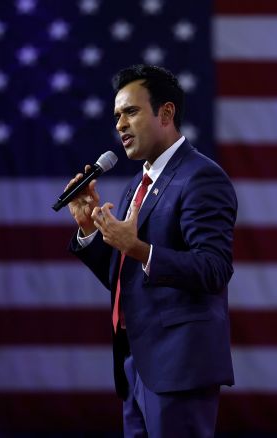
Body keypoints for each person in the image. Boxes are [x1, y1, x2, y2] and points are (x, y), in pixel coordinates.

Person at [65, 64, 237, 437]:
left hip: (179, 367)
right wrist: (89, 229)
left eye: (131, 111)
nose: (120, 125)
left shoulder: (200, 177)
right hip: (135, 365)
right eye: (116, 116)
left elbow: (214, 268)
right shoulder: (135, 186)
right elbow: (124, 275)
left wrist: (141, 249)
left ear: (166, 113)